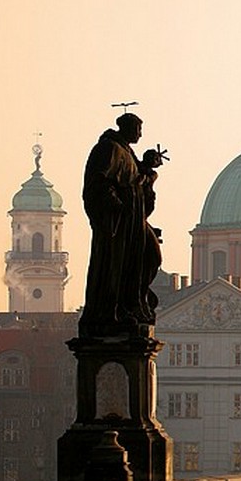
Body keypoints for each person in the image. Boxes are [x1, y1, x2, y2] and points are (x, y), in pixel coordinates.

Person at [81, 112, 165, 337]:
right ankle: (115, 310)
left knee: (151, 256)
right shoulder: (109, 149)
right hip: (117, 224)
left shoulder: (128, 154)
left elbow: (139, 187)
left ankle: (134, 301)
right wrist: (117, 206)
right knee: (116, 266)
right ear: (126, 128)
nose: (140, 134)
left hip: (134, 222)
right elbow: (98, 183)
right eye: (138, 129)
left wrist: (148, 169)